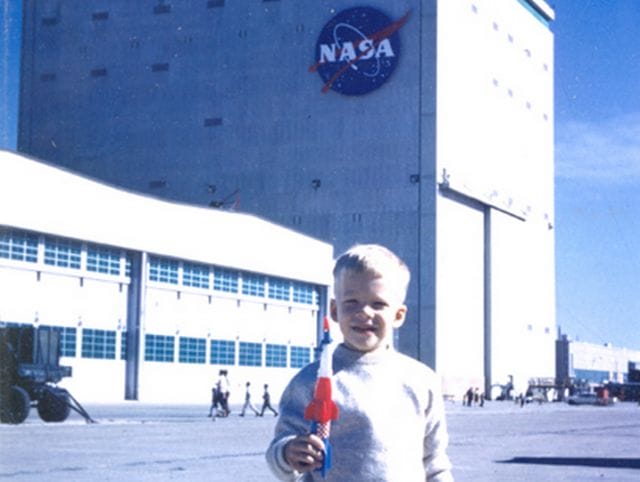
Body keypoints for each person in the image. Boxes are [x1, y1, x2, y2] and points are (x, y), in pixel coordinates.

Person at [266, 244, 453, 481]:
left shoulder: (421, 380)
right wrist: (287, 452)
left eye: (378, 304)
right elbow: (280, 450)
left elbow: (435, 463)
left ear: (398, 315)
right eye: (351, 302)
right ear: (335, 310)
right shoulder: (310, 380)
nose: (364, 312)